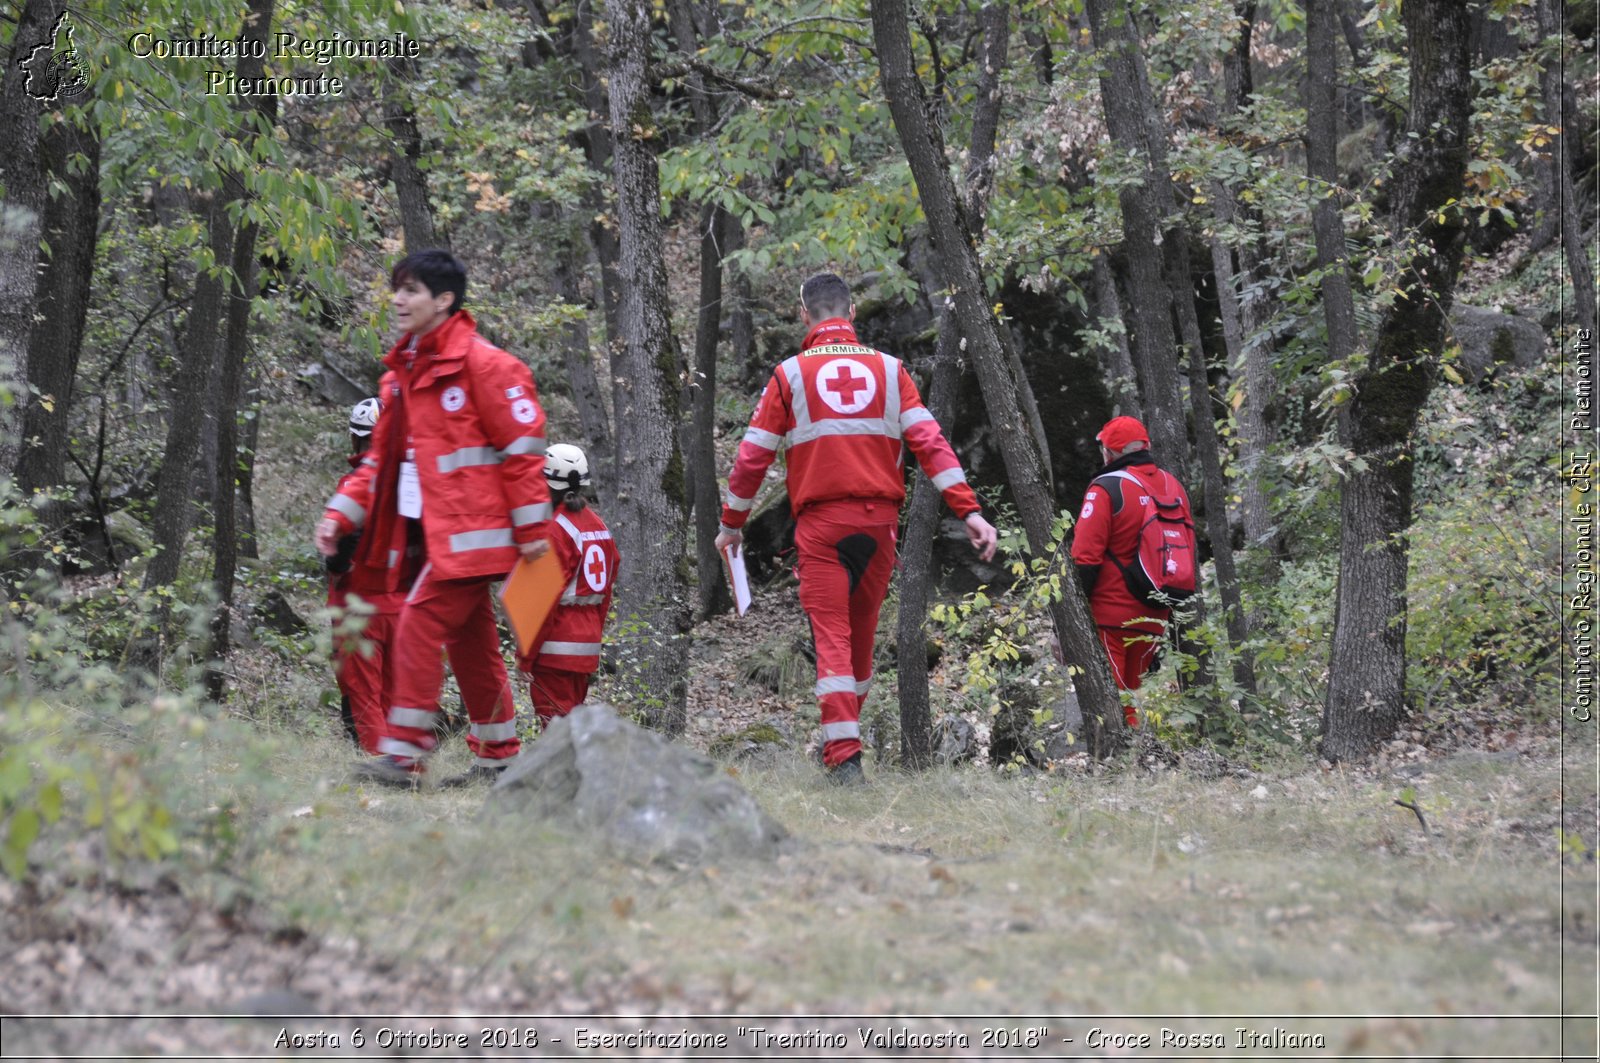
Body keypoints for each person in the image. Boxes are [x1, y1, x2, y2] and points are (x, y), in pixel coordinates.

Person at [714, 272, 999, 785]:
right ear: (851, 313)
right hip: (879, 526)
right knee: (860, 643)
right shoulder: (892, 372)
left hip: (822, 527)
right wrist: (969, 510)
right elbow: (931, 444)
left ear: (806, 314)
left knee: (834, 642)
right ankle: (840, 741)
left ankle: (843, 758)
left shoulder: (790, 375)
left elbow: (753, 456)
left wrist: (732, 523)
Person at [314, 249, 553, 787]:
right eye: (396, 288)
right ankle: (500, 760)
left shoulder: (488, 366)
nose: (398, 299)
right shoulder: (402, 374)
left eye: (411, 290)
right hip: (429, 538)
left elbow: (523, 451)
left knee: (418, 626)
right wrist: (341, 514)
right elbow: (379, 461)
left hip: (474, 536)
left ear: (443, 300)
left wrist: (535, 532)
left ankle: (404, 757)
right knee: (472, 646)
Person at [1069, 415, 1193, 725]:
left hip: (1110, 618)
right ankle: (1137, 758)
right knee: (1130, 696)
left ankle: (1128, 764)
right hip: (1155, 615)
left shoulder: (1106, 487)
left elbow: (1085, 557)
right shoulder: (1173, 486)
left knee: (1114, 703)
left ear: (1109, 453)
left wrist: (1073, 615)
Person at [324, 395, 414, 754]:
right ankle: (404, 766)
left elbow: (343, 543)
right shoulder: (411, 487)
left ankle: (382, 768)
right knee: (393, 693)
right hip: (402, 606)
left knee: (364, 695)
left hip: (360, 608)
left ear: (356, 438)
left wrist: (336, 563)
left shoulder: (356, 484)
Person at [516, 443, 619, 729]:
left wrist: (525, 657)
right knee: (573, 727)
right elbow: (606, 592)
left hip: (554, 648)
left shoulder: (553, 531)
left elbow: (540, 604)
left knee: (556, 733)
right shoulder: (598, 526)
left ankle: (566, 775)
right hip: (586, 647)